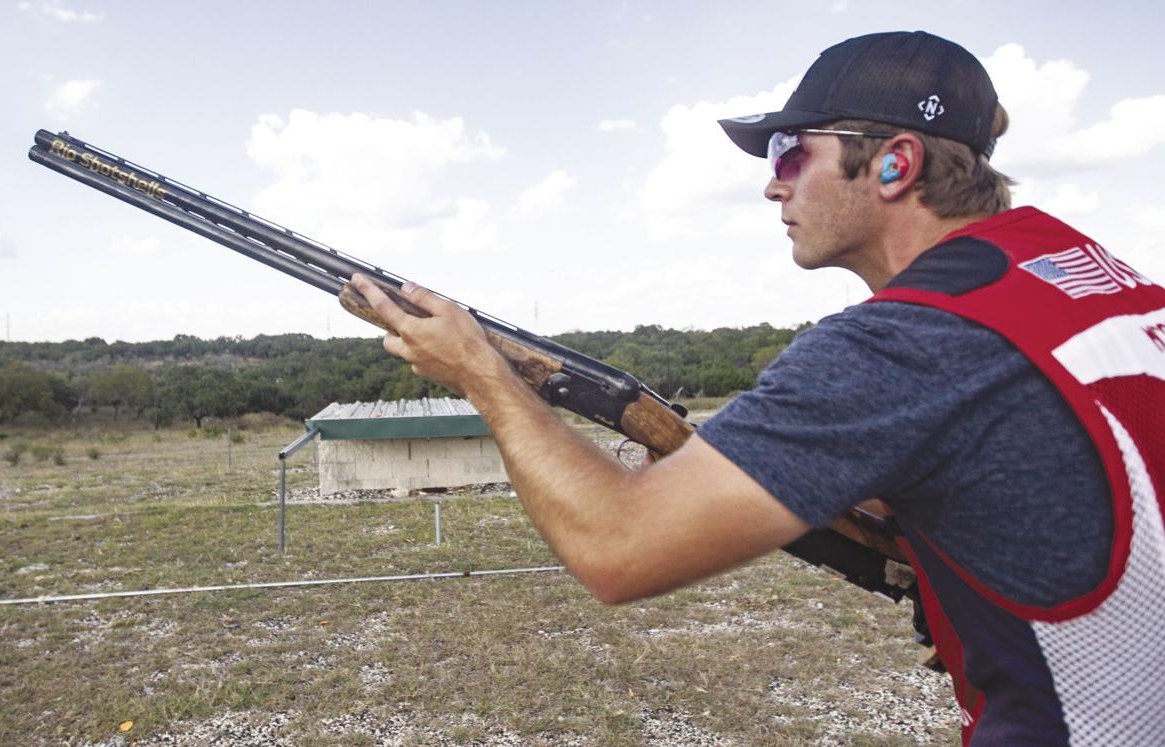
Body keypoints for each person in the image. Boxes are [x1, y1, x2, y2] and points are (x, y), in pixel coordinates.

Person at [351, 31, 1165, 746]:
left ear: (895, 163)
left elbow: (617, 550)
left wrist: (480, 372)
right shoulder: (1093, 275)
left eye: (789, 153)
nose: (774, 185)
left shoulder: (901, 345)